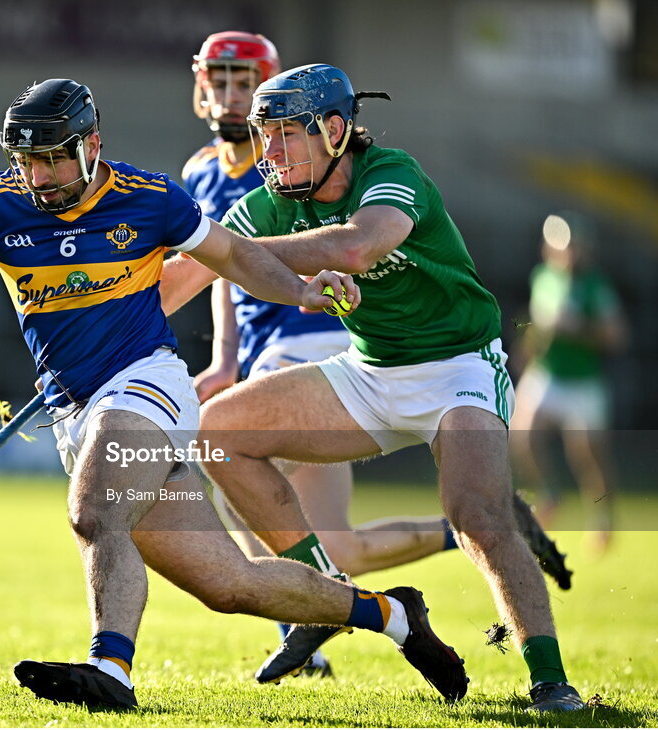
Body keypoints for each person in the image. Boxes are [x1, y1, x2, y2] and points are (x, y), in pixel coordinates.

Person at [0, 78, 469, 711]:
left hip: (147, 386)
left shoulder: (150, 198)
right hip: (75, 409)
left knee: (94, 512)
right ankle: (392, 614)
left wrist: (298, 291)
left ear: (92, 146)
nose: (40, 176)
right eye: (28, 160)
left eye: (56, 159)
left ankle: (110, 668)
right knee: (231, 586)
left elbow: (232, 256)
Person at [162, 64, 585, 712]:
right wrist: (101, 309)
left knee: (477, 517)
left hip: (458, 369)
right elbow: (186, 274)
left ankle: (550, 681)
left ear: (334, 130)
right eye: (263, 137)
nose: (268, 155)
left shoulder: (391, 171)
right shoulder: (271, 198)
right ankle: (326, 595)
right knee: (219, 430)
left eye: (284, 136)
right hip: (369, 371)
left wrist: (239, 250)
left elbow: (359, 246)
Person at [510, 212, 627, 553]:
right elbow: (537, 324)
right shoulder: (543, 277)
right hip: (547, 372)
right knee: (522, 435)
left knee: (587, 454)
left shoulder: (594, 286)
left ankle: (603, 516)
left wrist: (580, 330)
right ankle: (549, 494)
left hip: (583, 380)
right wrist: (526, 348)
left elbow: (616, 336)